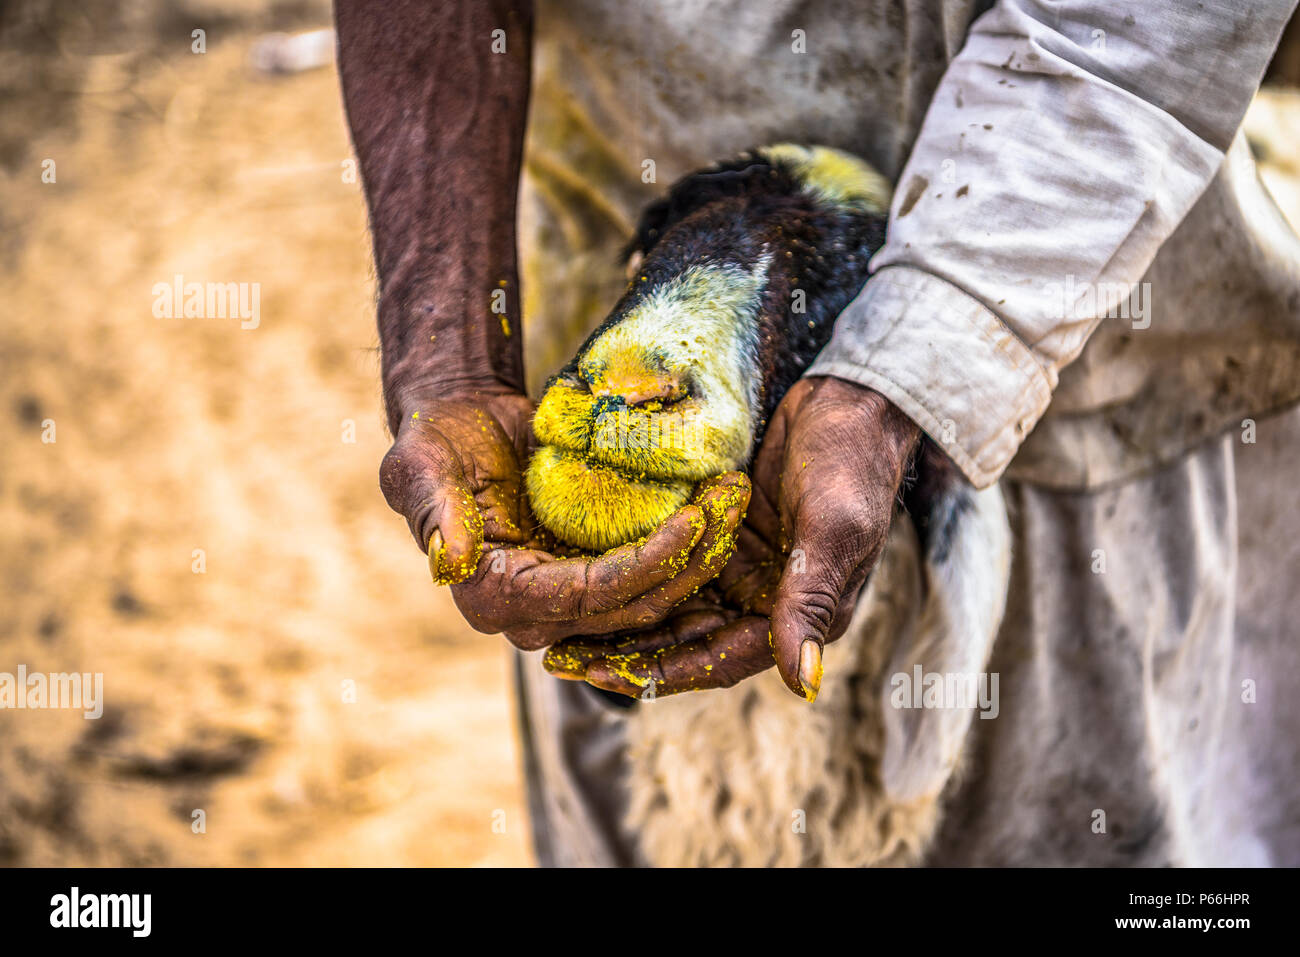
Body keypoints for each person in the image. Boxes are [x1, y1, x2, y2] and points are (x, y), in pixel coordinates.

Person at [335, 0, 1300, 865]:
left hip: (1067, 335)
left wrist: (913, 371)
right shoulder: (605, 401)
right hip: (594, 321)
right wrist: (454, 355)